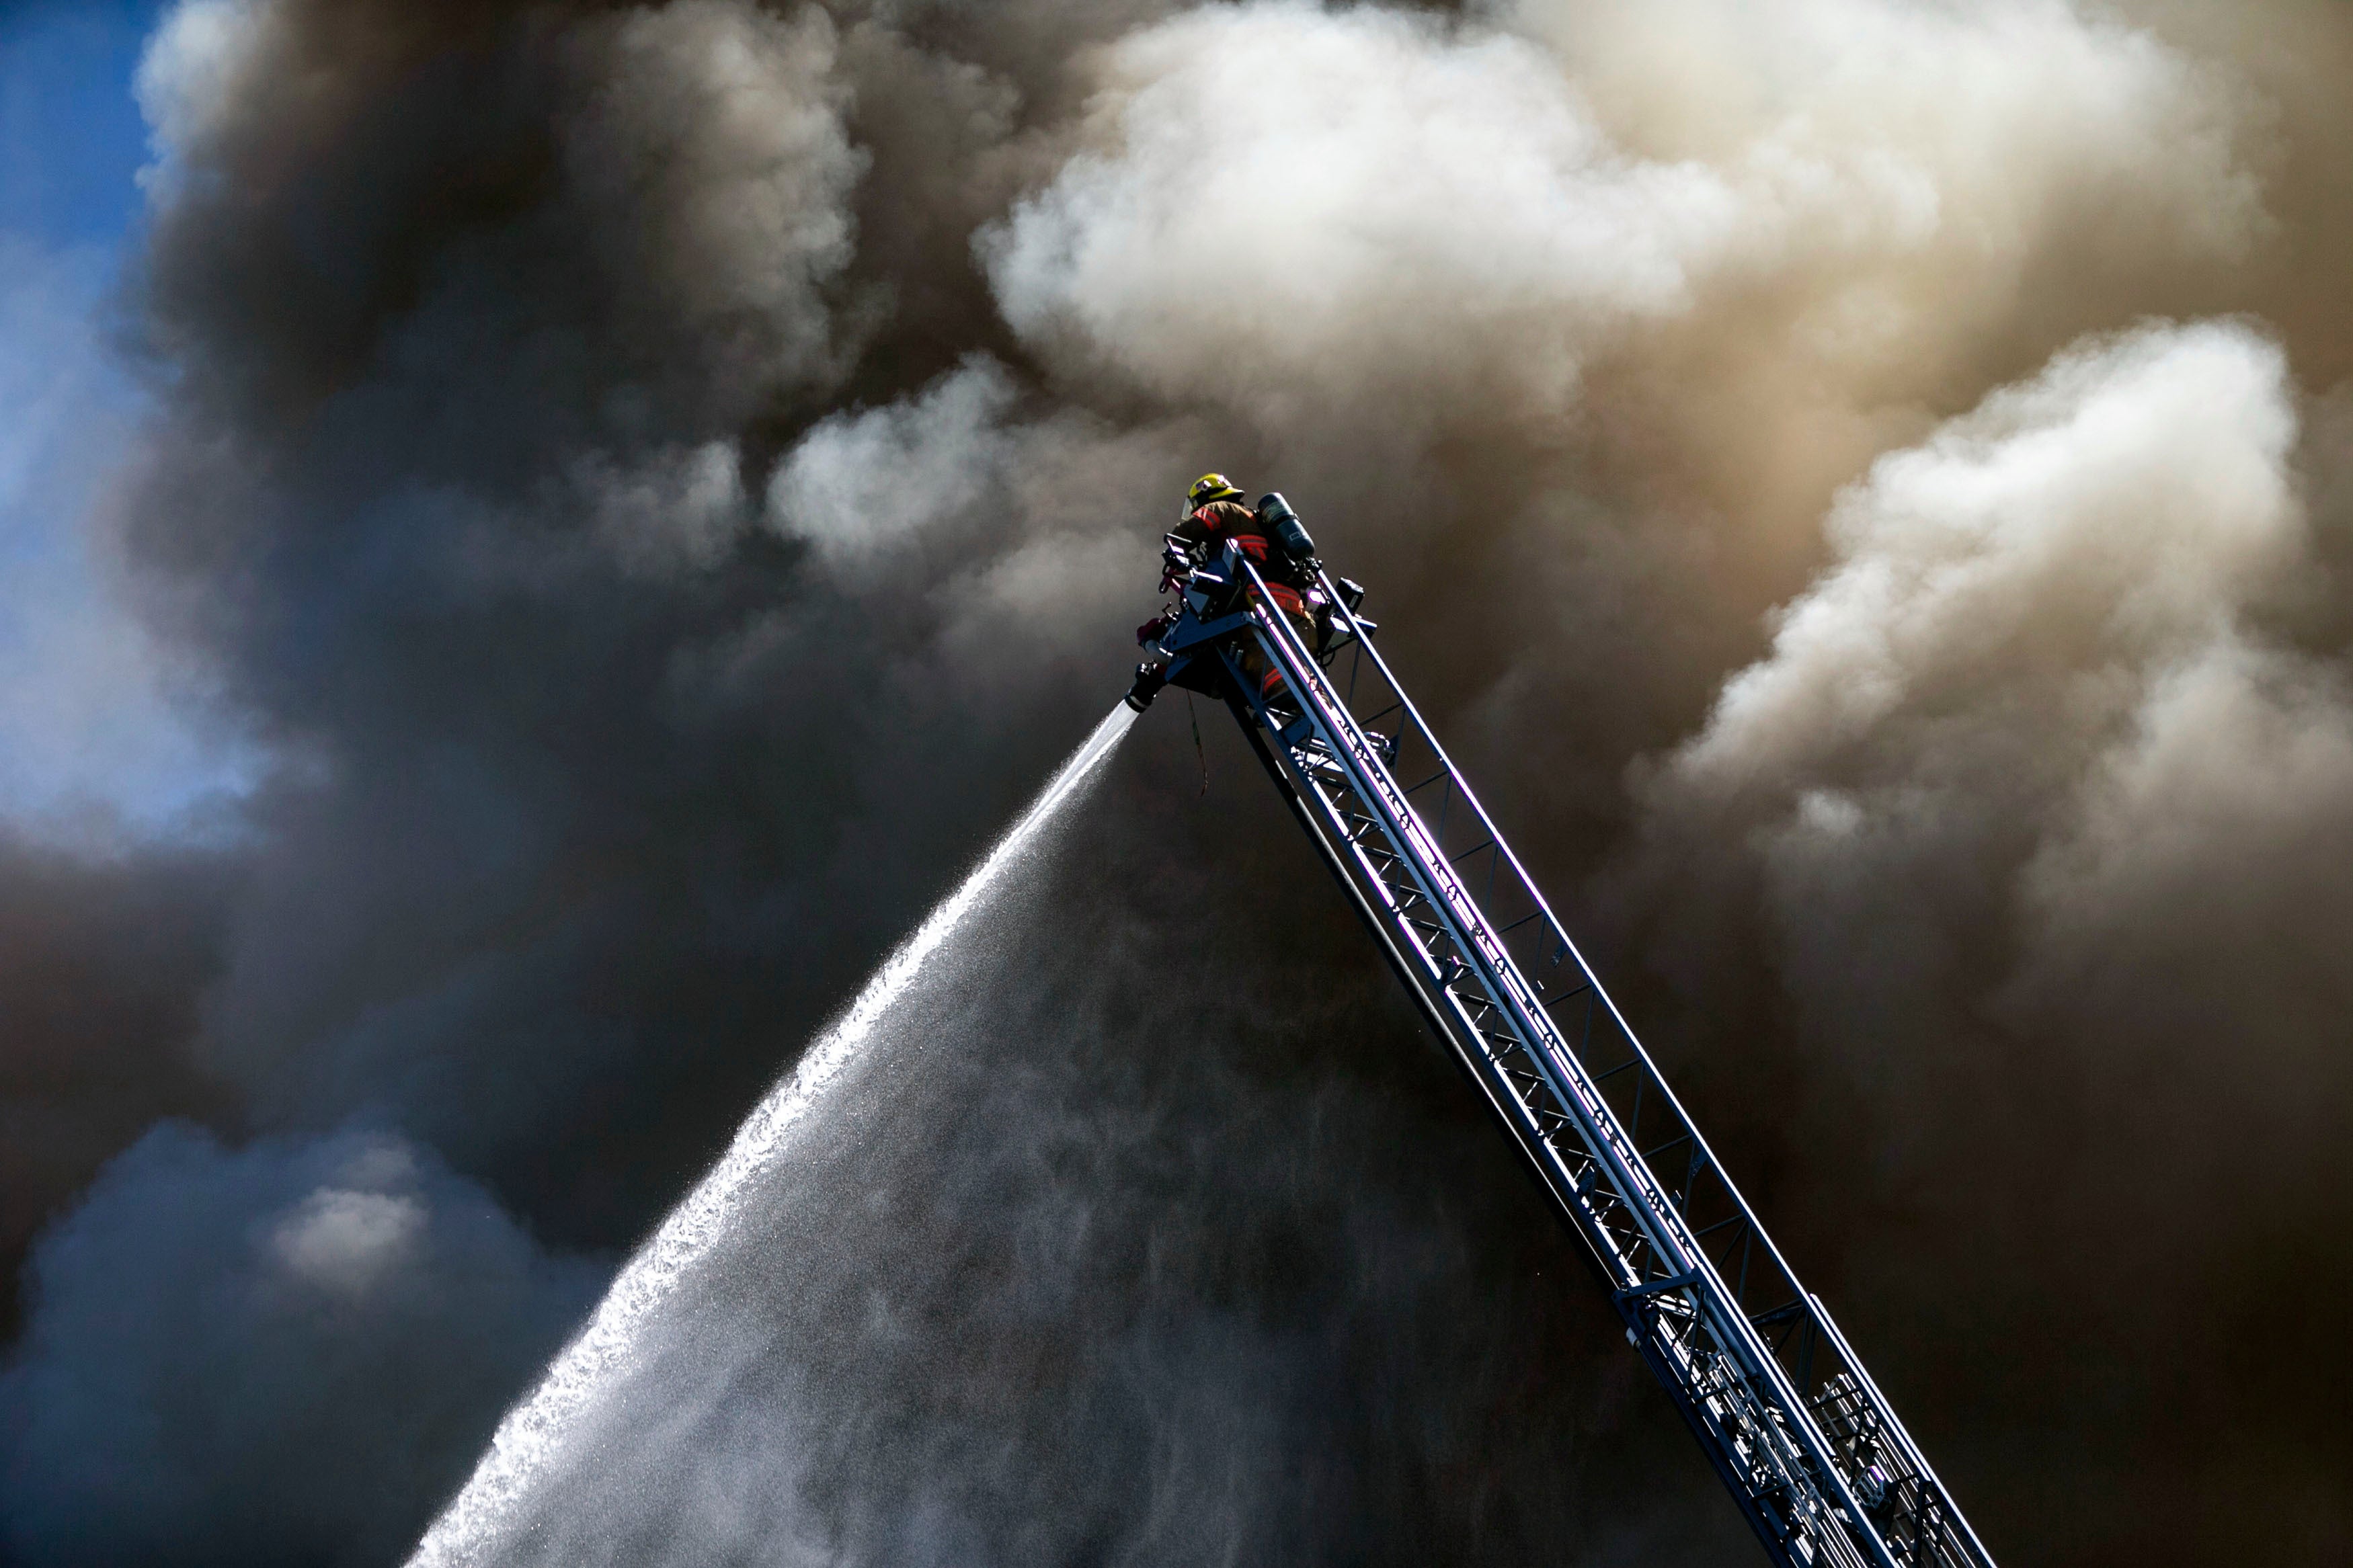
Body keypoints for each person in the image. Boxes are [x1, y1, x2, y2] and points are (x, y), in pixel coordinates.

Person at [1166, 473, 1317, 707]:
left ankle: (1285, 692)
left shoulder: (1221, 508)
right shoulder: (1262, 522)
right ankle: (1315, 702)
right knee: (1303, 674)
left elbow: (1185, 533)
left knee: (1263, 663)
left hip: (1258, 602)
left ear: (1204, 496)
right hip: (1297, 610)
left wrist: (1175, 553)